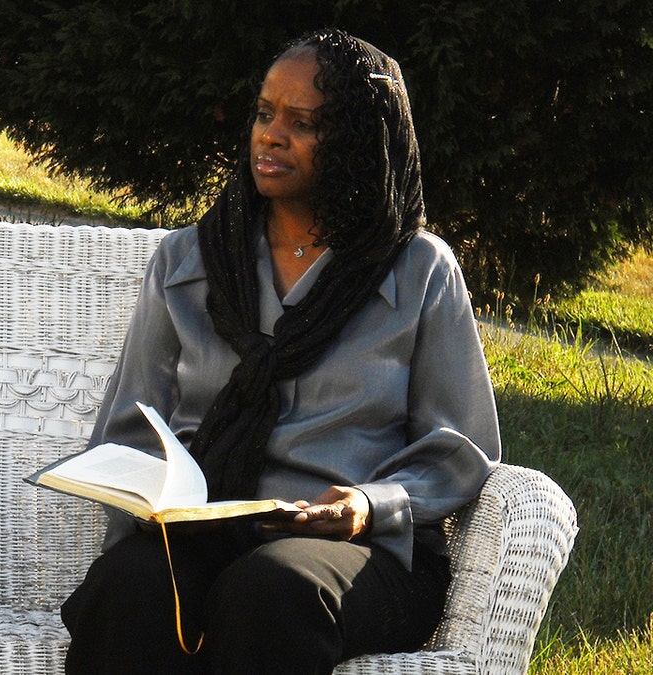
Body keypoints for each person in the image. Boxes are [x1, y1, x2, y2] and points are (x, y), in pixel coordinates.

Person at [60, 29, 501, 674]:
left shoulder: (416, 270)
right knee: (131, 585)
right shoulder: (189, 262)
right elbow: (130, 428)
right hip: (205, 530)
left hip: (352, 552)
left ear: (356, 142)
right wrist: (154, 502)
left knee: (271, 589)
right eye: (266, 114)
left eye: (304, 123)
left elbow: (461, 449)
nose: (270, 135)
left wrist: (367, 505)